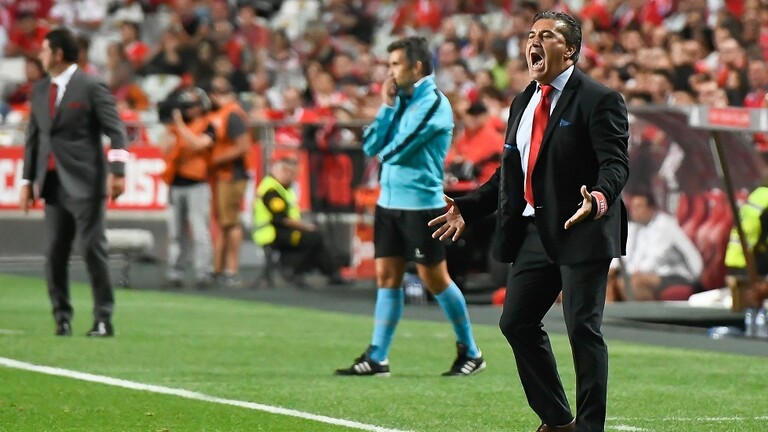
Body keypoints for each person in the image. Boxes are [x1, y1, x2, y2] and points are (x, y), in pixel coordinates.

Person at [430, 12, 629, 431]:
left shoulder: (600, 98)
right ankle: (557, 420)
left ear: (570, 50)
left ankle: (589, 427)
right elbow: (509, 173)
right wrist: (469, 206)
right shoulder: (524, 101)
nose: (534, 41)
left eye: (547, 36)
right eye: (531, 35)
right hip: (535, 230)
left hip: (583, 227)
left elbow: (615, 163)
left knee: (582, 328)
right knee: (516, 322)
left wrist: (598, 198)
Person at [335, 36, 486, 377]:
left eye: (395, 65)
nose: (389, 72)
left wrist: (383, 141)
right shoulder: (401, 101)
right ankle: (378, 356)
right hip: (388, 203)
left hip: (422, 205)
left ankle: (471, 351)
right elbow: (370, 145)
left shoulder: (433, 103)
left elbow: (396, 150)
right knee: (387, 277)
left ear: (416, 67)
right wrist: (387, 107)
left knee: (435, 279)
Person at [18, 28, 129, 337]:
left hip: (86, 182)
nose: (40, 55)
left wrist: (118, 171)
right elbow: (34, 138)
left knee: (93, 250)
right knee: (55, 253)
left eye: (44, 50)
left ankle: (103, 318)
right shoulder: (41, 90)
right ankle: (62, 317)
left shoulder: (91, 86)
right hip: (52, 184)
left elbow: (117, 131)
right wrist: (27, 180)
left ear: (58, 54)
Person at [252, 156, 349, 286]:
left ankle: (329, 273)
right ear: (283, 171)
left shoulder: (281, 187)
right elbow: (281, 219)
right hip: (271, 233)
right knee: (313, 237)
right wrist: (305, 226)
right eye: (292, 173)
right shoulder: (272, 190)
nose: (294, 177)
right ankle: (296, 269)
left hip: (280, 231)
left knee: (315, 237)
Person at [157, 87, 216, 289]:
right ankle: (175, 272)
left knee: (199, 231)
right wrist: (170, 126)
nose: (186, 110)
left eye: (190, 106)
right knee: (176, 232)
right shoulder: (175, 127)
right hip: (176, 184)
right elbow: (164, 148)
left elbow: (197, 145)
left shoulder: (208, 125)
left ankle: (203, 272)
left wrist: (180, 125)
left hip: (197, 185)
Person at [608, 192, 703, 302]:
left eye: (638, 207)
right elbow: (629, 257)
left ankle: (645, 312)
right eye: (633, 207)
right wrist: (613, 270)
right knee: (610, 281)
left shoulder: (664, 225)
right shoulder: (638, 227)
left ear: (651, 208)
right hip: (654, 274)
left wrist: (627, 273)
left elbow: (652, 262)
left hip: (677, 276)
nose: (634, 211)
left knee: (631, 284)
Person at [207, 76, 252, 287]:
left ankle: (232, 270)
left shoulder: (232, 114)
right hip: (224, 174)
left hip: (233, 174)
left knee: (231, 222)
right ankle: (218, 268)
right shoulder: (225, 113)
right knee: (224, 222)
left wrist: (216, 159)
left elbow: (243, 146)